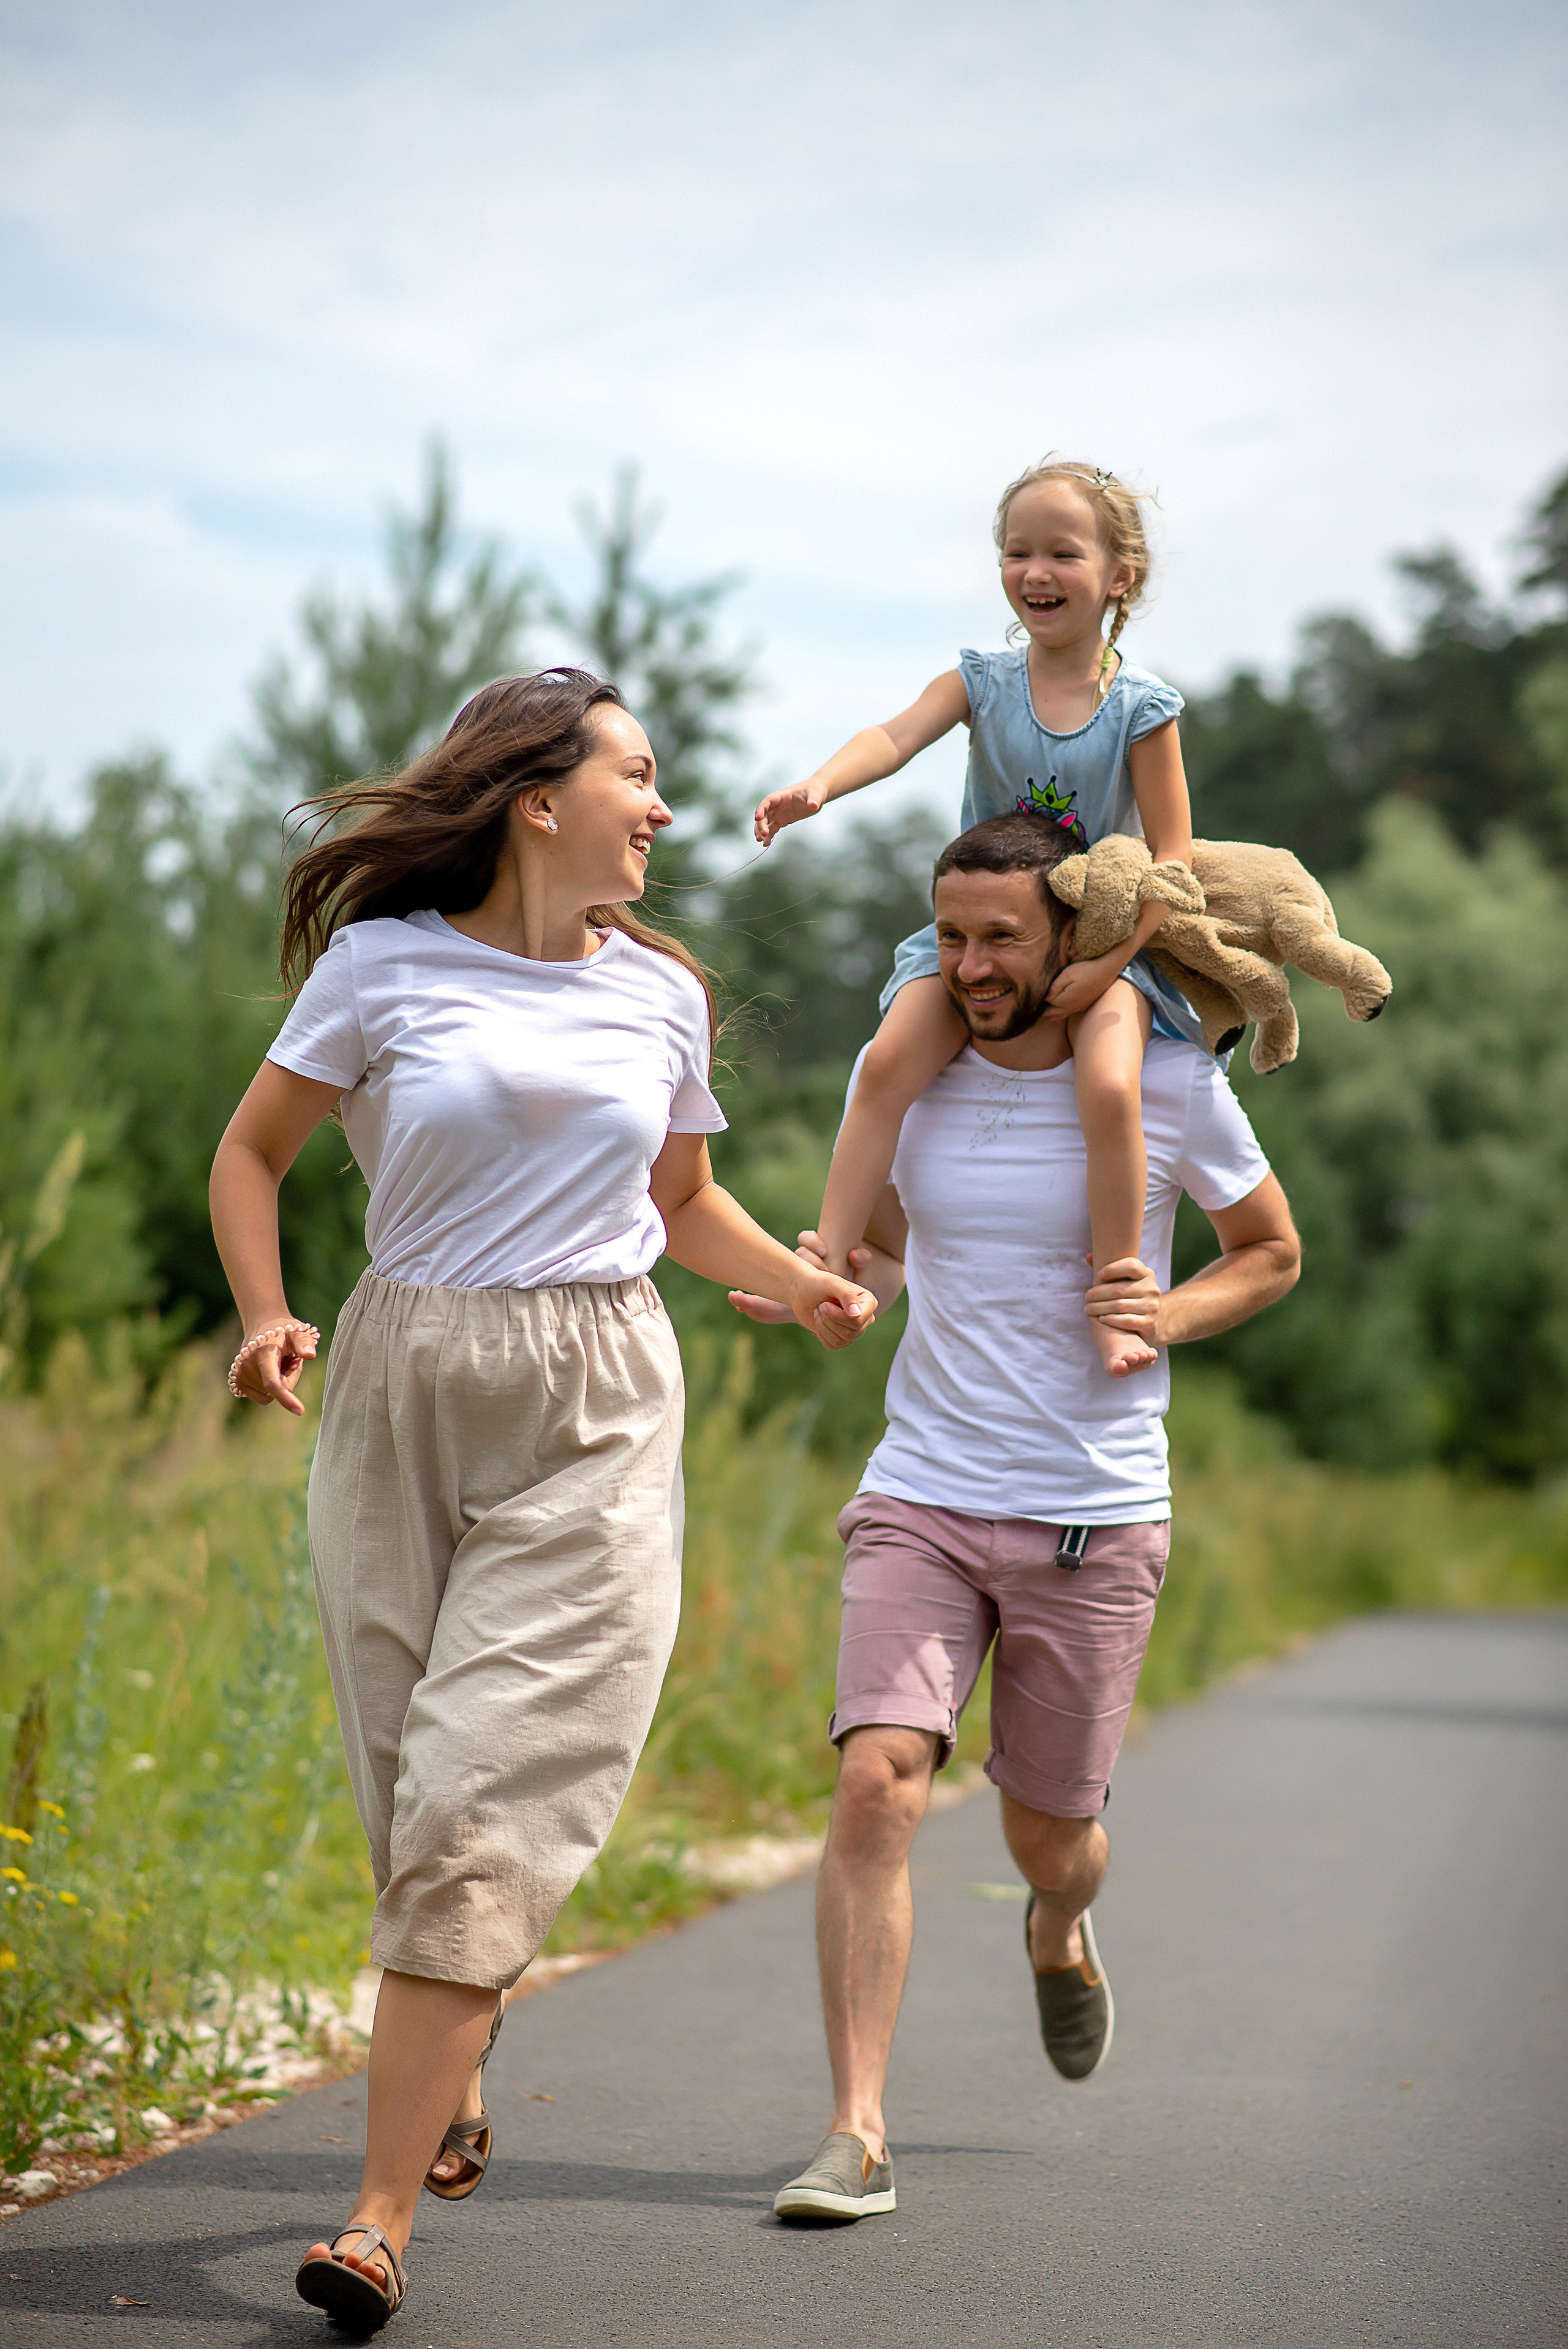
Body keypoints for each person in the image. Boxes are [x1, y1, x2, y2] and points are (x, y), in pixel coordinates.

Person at [208, 669, 876, 2331]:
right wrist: (260, 1310)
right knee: (406, 1780)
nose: (661, 806)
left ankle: (374, 2220)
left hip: (595, 1392)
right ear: (534, 795)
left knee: (478, 1806)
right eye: (636, 775)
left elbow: (684, 1197)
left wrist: (800, 1282)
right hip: (397, 1376)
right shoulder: (380, 967)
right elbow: (252, 1154)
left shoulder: (658, 996)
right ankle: (463, 2029)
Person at [730, 810, 1300, 2223]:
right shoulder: (916, 1071)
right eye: (949, 936)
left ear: (1069, 943)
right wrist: (840, 1271)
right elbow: (902, 1241)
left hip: (1089, 1515)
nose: (971, 966)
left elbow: (1271, 1251)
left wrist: (1161, 1311)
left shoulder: (1164, 1080)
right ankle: (855, 2130)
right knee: (877, 1779)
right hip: (922, 1485)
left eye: (1000, 939)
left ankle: (1057, 1923)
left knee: (1046, 1835)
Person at [753, 456, 1201, 1381]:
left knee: (1112, 1088)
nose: (1035, 572)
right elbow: (894, 735)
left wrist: (1111, 968)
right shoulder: (983, 682)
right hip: (979, 936)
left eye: (1062, 554)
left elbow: (1175, 861)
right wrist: (821, 786)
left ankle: (1118, 1299)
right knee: (883, 1065)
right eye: (1016, 552)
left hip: (1097, 941)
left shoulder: (1141, 711)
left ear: (1119, 576)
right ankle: (828, 1261)